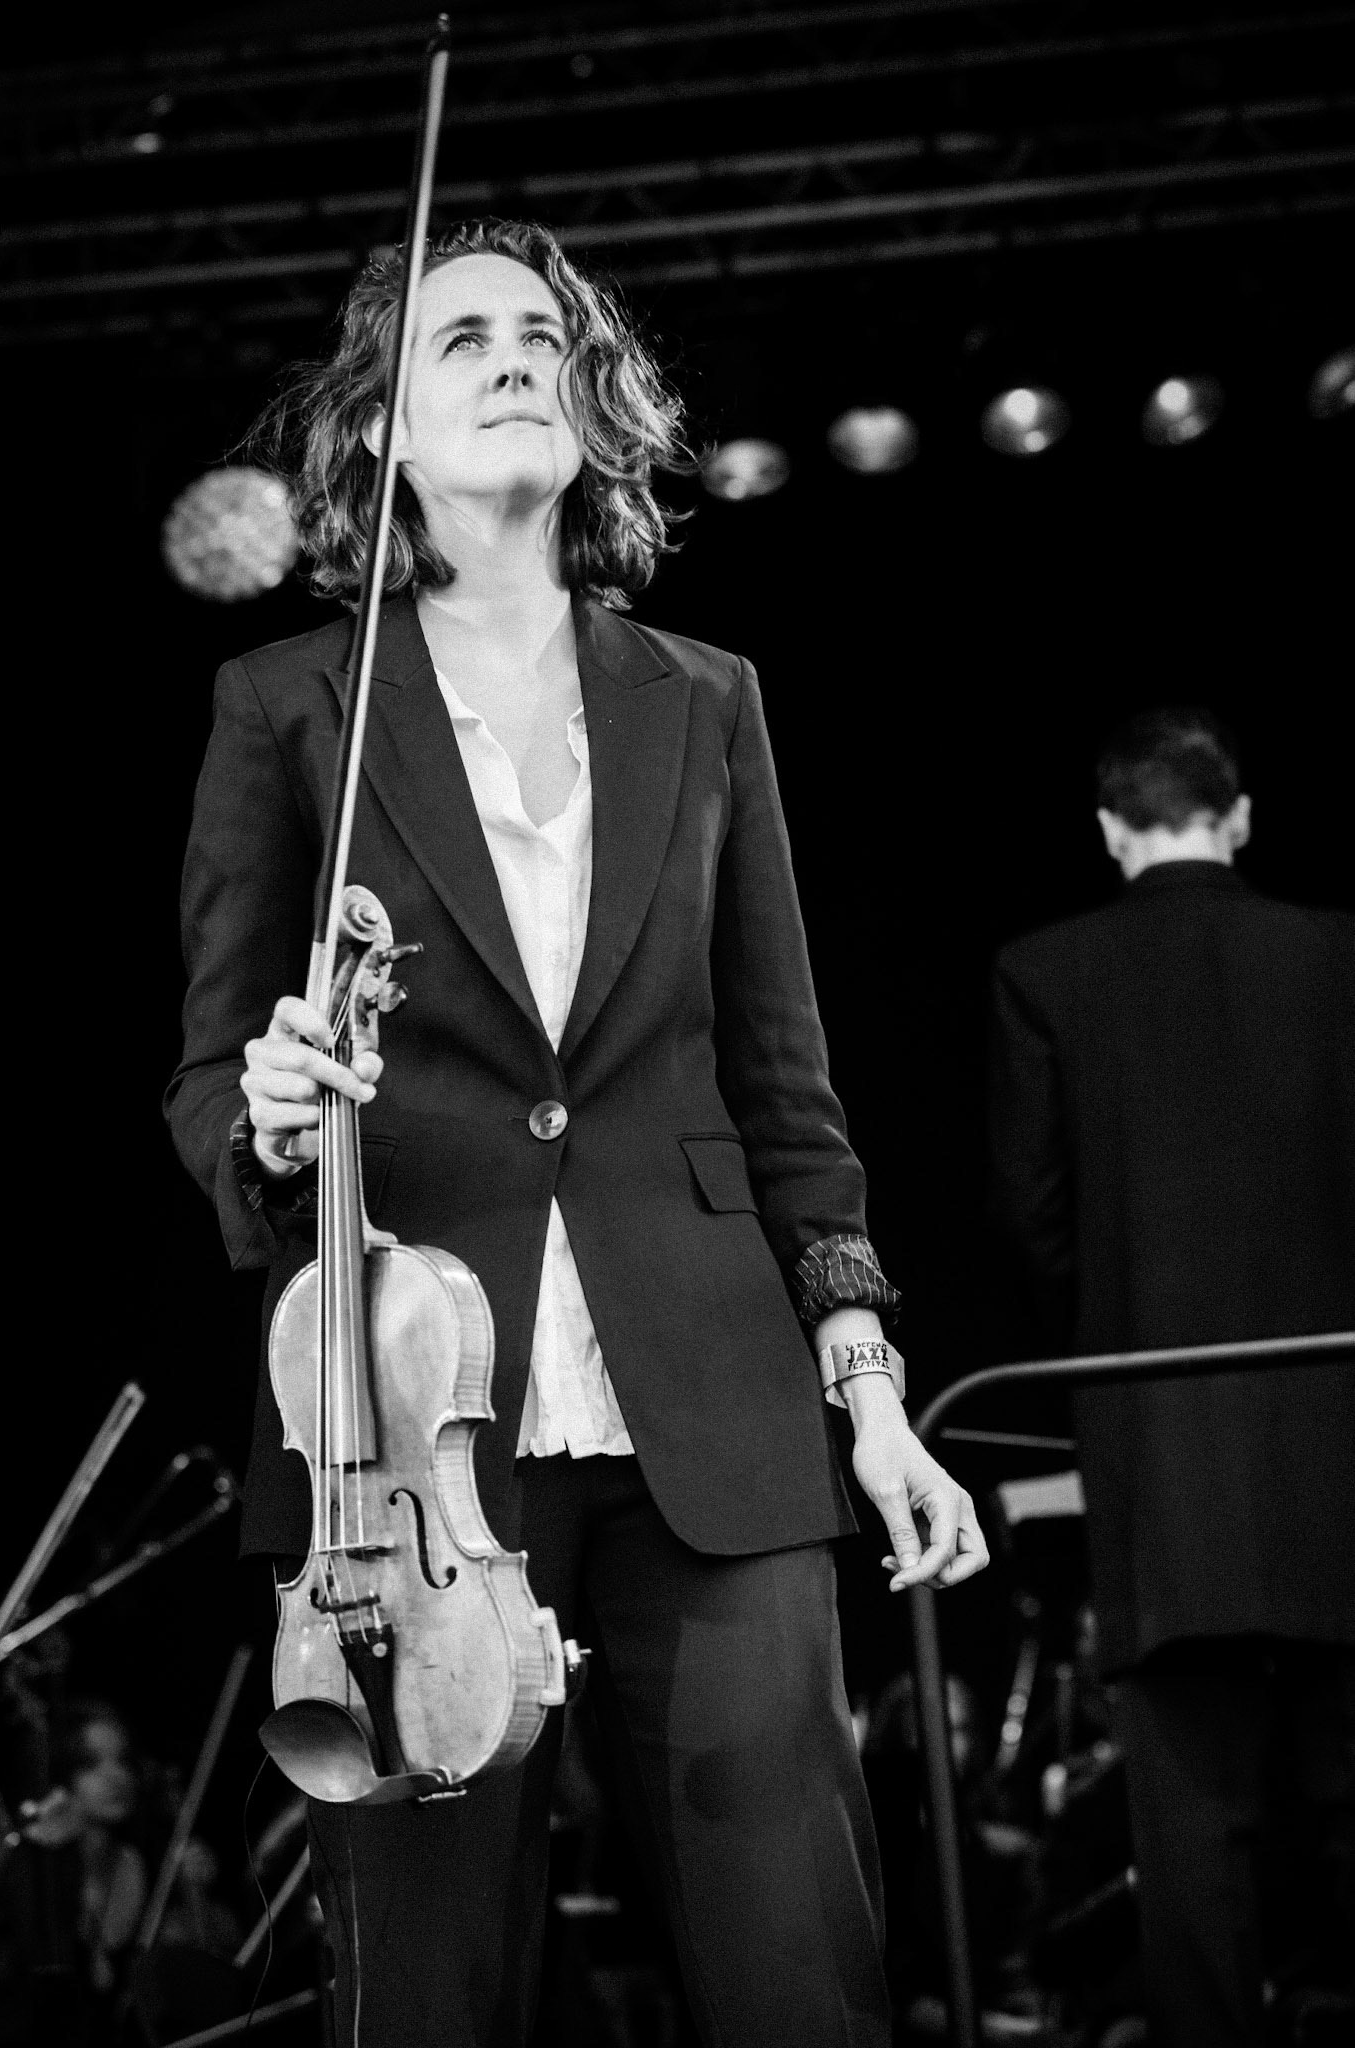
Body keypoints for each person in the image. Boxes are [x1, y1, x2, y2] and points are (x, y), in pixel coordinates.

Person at [166, 218, 987, 2048]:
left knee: (806, 1991)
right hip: (397, 1455)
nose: (516, 356)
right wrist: (276, 1113)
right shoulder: (290, 703)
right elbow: (214, 1074)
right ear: (379, 430)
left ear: (593, 395)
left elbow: (784, 1089)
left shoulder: (704, 696)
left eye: (540, 335)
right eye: (462, 341)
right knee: (430, 2007)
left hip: (708, 1412)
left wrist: (864, 1390)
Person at [987, 706, 1355, 2048]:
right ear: (1238, 817)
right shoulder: (1333, 957)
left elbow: (1030, 1215)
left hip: (1162, 1461)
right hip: (1340, 1438)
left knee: (1189, 1835)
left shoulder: (1044, 972)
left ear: (1107, 832)